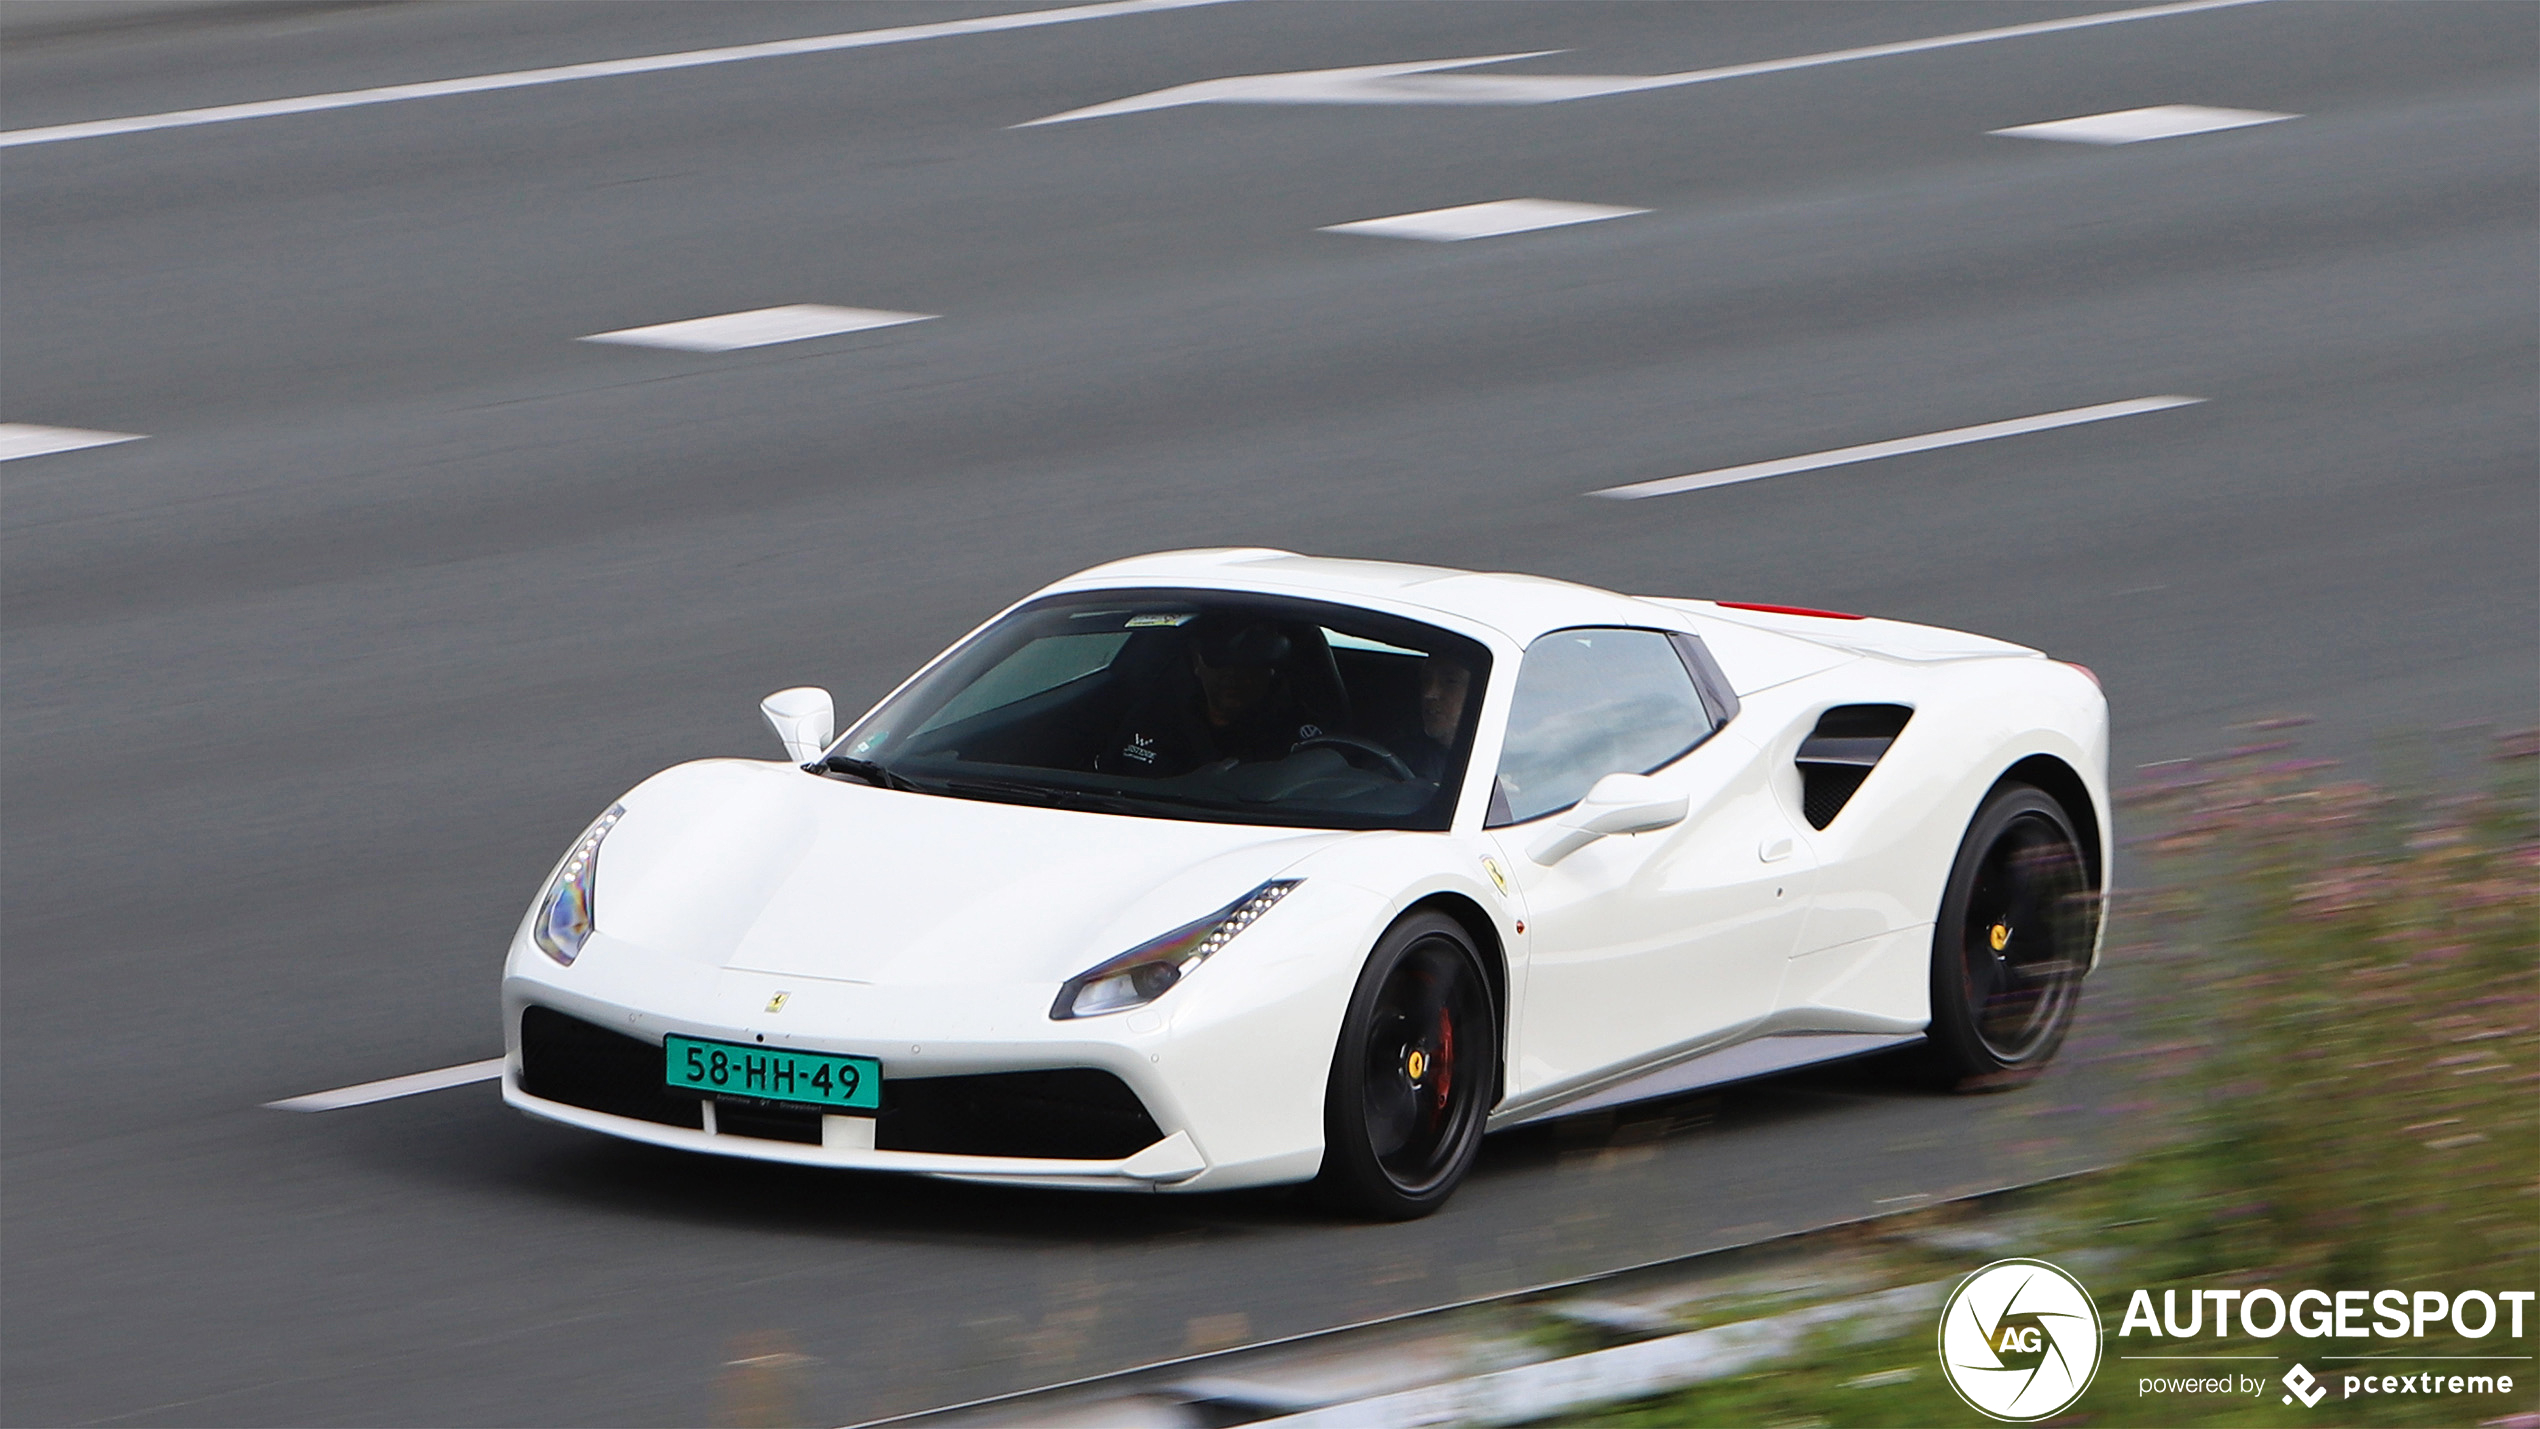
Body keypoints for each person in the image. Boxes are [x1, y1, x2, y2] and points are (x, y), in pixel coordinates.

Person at [1098, 619, 1314, 776]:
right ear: (1196, 663)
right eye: (1218, 659)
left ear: (1270, 669)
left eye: (1248, 662)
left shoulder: (1296, 735)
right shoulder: (1153, 718)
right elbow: (1108, 773)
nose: (1232, 673)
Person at [1402, 657, 1472, 782]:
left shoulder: (1498, 764)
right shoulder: (1403, 755)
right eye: (1426, 680)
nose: (1429, 693)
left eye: (1450, 681)